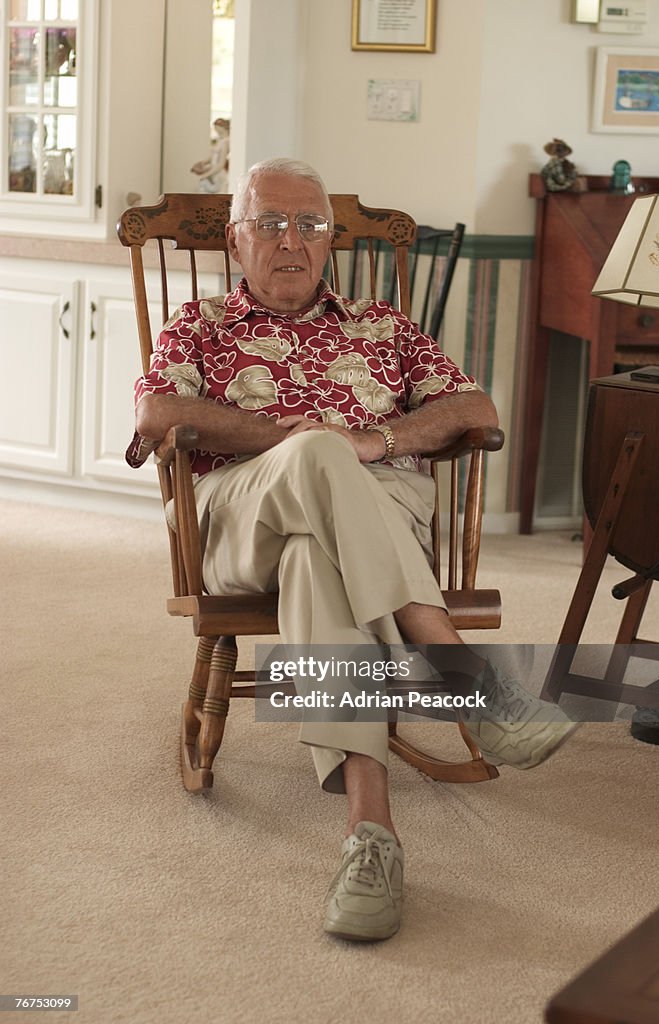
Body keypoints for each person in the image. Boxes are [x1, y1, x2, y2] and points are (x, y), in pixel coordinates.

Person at [129, 157, 577, 943]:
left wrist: (373, 441)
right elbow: (159, 414)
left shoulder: (383, 324)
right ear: (235, 240)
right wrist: (294, 441)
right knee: (313, 455)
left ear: (329, 239)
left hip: (369, 514)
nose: (291, 240)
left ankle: (371, 836)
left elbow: (473, 407)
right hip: (240, 516)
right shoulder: (200, 324)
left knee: (316, 555)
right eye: (270, 223)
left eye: (310, 224)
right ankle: (456, 665)